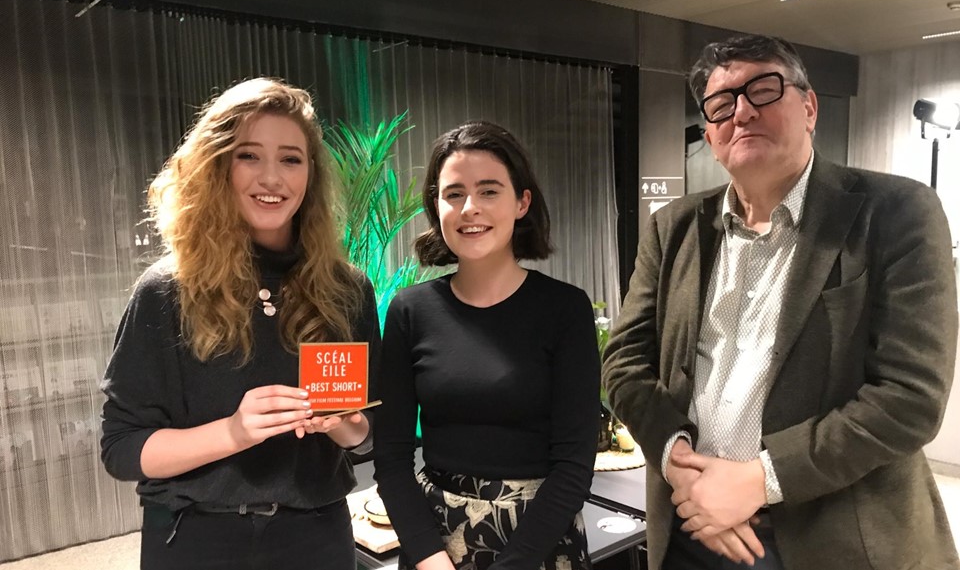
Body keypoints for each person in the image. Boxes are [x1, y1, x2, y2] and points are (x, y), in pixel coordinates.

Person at [602, 34, 959, 570]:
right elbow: (624, 362)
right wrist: (680, 465)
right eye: (721, 105)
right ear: (709, 135)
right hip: (690, 529)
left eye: (763, 90)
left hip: (833, 539)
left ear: (809, 106)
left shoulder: (895, 213)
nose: (742, 112)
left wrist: (759, 481)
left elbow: (909, 397)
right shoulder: (671, 229)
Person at [100, 78, 381, 570]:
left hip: (317, 537)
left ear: (310, 174)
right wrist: (232, 432)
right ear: (218, 166)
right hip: (194, 537)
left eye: (291, 158)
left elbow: (372, 434)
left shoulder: (347, 289)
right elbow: (123, 449)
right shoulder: (167, 290)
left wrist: (348, 425)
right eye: (249, 155)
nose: (272, 178)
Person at [373, 121, 600, 570]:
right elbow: (391, 457)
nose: (469, 208)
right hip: (435, 545)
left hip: (540, 542)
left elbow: (574, 465)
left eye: (489, 191)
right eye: (453, 193)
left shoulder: (565, 309)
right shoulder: (410, 310)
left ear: (522, 202)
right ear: (436, 206)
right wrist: (429, 558)